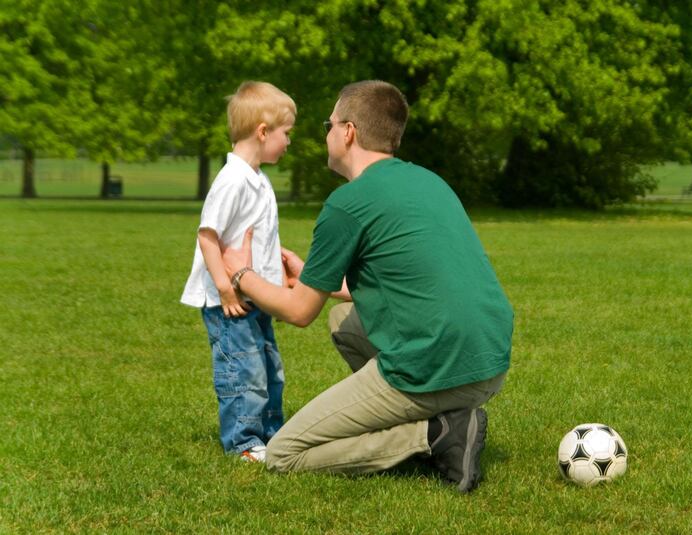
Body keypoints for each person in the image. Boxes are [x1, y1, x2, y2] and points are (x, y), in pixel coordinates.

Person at [222, 80, 513, 492]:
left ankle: (432, 435)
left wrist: (240, 274)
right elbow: (404, 278)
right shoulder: (428, 181)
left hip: (436, 366)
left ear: (348, 132)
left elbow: (299, 312)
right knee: (344, 318)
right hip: (488, 362)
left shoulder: (347, 203)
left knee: (285, 453)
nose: (325, 134)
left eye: (329, 123)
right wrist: (313, 274)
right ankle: (441, 420)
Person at [180, 81, 296, 462]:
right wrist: (225, 290)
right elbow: (208, 236)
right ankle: (243, 442)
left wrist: (276, 263)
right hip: (229, 302)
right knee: (243, 371)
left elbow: (252, 234)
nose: (289, 142)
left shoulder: (256, 179)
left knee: (268, 369)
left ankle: (270, 432)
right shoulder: (232, 181)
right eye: (287, 134)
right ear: (263, 132)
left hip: (254, 296)